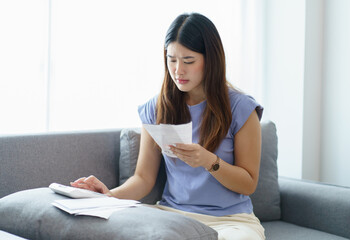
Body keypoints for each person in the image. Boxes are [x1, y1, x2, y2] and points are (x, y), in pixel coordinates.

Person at [71, 12, 265, 240]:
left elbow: (248, 184)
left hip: (230, 220)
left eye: (188, 61)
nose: (178, 70)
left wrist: (208, 161)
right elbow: (143, 178)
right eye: (171, 60)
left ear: (211, 60)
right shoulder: (156, 107)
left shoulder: (241, 108)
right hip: (172, 215)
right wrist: (107, 195)